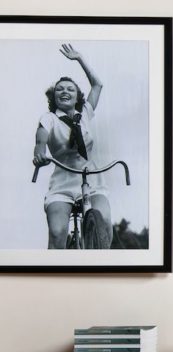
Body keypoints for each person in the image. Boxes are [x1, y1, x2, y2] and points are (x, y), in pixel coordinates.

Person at [32, 43, 112, 249]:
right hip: (62, 185)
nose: (64, 91)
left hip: (93, 180)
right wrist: (39, 154)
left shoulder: (85, 113)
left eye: (70, 89)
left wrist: (80, 59)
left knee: (104, 230)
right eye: (59, 89)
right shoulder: (48, 118)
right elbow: (40, 141)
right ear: (54, 96)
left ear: (77, 97)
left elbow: (98, 85)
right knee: (58, 233)